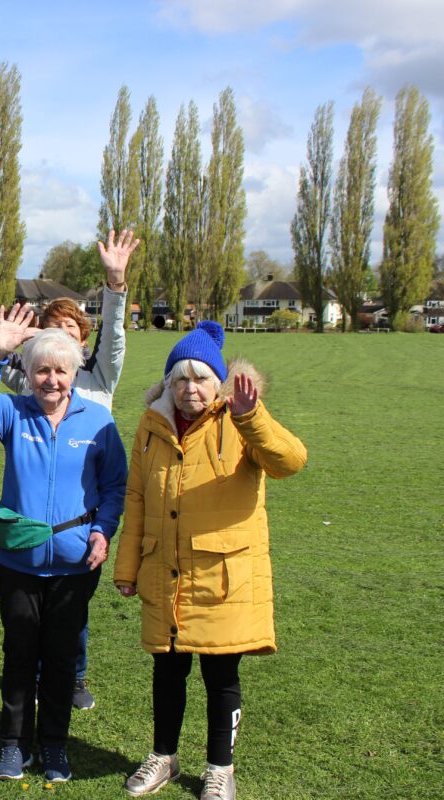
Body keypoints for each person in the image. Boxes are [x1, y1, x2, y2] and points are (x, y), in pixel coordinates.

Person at [113, 322, 307, 800]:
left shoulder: (241, 420)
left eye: (200, 378)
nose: (190, 388)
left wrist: (252, 416)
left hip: (225, 577)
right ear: (168, 383)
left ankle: (220, 768)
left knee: (221, 677)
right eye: (181, 378)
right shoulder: (150, 425)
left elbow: (291, 461)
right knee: (167, 670)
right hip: (165, 570)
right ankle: (164, 757)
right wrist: (126, 567)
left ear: (218, 382)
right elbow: (136, 496)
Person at [0, 229, 138, 710]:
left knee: (72, 613)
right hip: (28, 522)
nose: (57, 352)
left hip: (78, 512)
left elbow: (116, 333)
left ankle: (74, 675)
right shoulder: (28, 376)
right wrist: (18, 337)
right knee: (27, 621)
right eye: (52, 333)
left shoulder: (97, 376)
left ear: (83, 343)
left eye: (70, 333)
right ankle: (35, 685)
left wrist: (115, 284)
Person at [0, 309, 126, 784]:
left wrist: (104, 529)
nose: (50, 380)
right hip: (19, 561)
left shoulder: (97, 420)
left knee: (59, 660)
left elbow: (116, 484)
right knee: (18, 656)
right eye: (41, 370)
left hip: (76, 564)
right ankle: (13, 745)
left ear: (75, 373)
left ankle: (54, 745)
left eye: (60, 370)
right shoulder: (14, 413)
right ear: (29, 374)